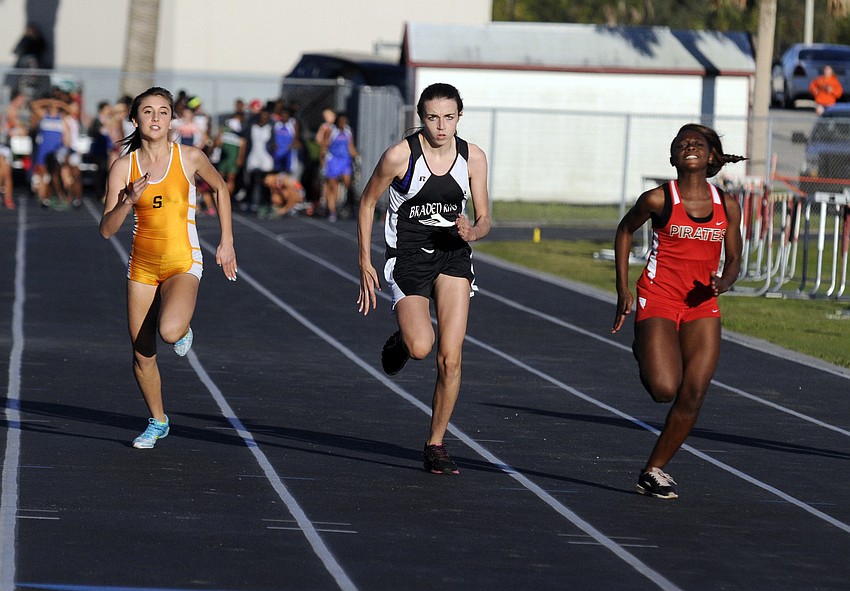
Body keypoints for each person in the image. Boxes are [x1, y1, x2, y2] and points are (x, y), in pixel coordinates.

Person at [357, 83, 491, 475]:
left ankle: (436, 443)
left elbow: (485, 218)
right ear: (421, 117)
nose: (441, 126)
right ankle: (403, 340)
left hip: (453, 256)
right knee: (420, 347)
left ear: (460, 116)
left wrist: (472, 231)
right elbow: (367, 202)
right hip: (409, 257)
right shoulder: (400, 156)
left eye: (449, 117)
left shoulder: (473, 157)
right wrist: (364, 260)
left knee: (450, 357)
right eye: (433, 118)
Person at [98, 87, 237, 449]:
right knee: (142, 355)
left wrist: (226, 241)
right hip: (142, 267)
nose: (156, 118)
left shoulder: (188, 157)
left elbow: (221, 189)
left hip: (182, 260)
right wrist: (127, 200)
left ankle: (183, 326)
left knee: (170, 332)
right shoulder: (123, 167)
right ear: (135, 119)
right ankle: (158, 420)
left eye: (163, 111)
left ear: (172, 119)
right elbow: (107, 229)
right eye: (148, 111)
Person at [612, 123, 745, 499]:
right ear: (672, 156)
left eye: (697, 142)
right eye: (682, 142)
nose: (690, 145)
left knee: (694, 392)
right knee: (664, 389)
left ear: (711, 155)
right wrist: (622, 287)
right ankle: (644, 345)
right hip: (659, 298)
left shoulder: (727, 205)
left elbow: (735, 259)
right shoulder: (658, 199)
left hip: (702, 305)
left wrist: (725, 282)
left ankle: (653, 470)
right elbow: (625, 230)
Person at [320, 112, 357, 222]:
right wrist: (322, 161)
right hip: (333, 160)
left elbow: (351, 146)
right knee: (332, 185)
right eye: (341, 121)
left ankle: (350, 205)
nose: (342, 123)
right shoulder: (331, 130)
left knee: (348, 183)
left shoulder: (348, 131)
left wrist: (356, 156)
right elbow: (324, 145)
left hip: (345, 160)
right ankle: (332, 210)